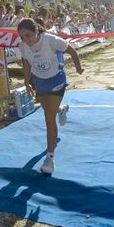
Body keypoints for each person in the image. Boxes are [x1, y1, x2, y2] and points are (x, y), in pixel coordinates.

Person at [17, 18, 84, 174]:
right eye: (22, 37)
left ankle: (50, 158)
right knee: (50, 111)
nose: (26, 40)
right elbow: (26, 63)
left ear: (36, 31)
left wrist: (78, 68)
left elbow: (72, 51)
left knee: (48, 118)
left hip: (56, 80)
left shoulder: (51, 40)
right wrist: (27, 83)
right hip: (39, 82)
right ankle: (61, 110)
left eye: (28, 35)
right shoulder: (23, 46)